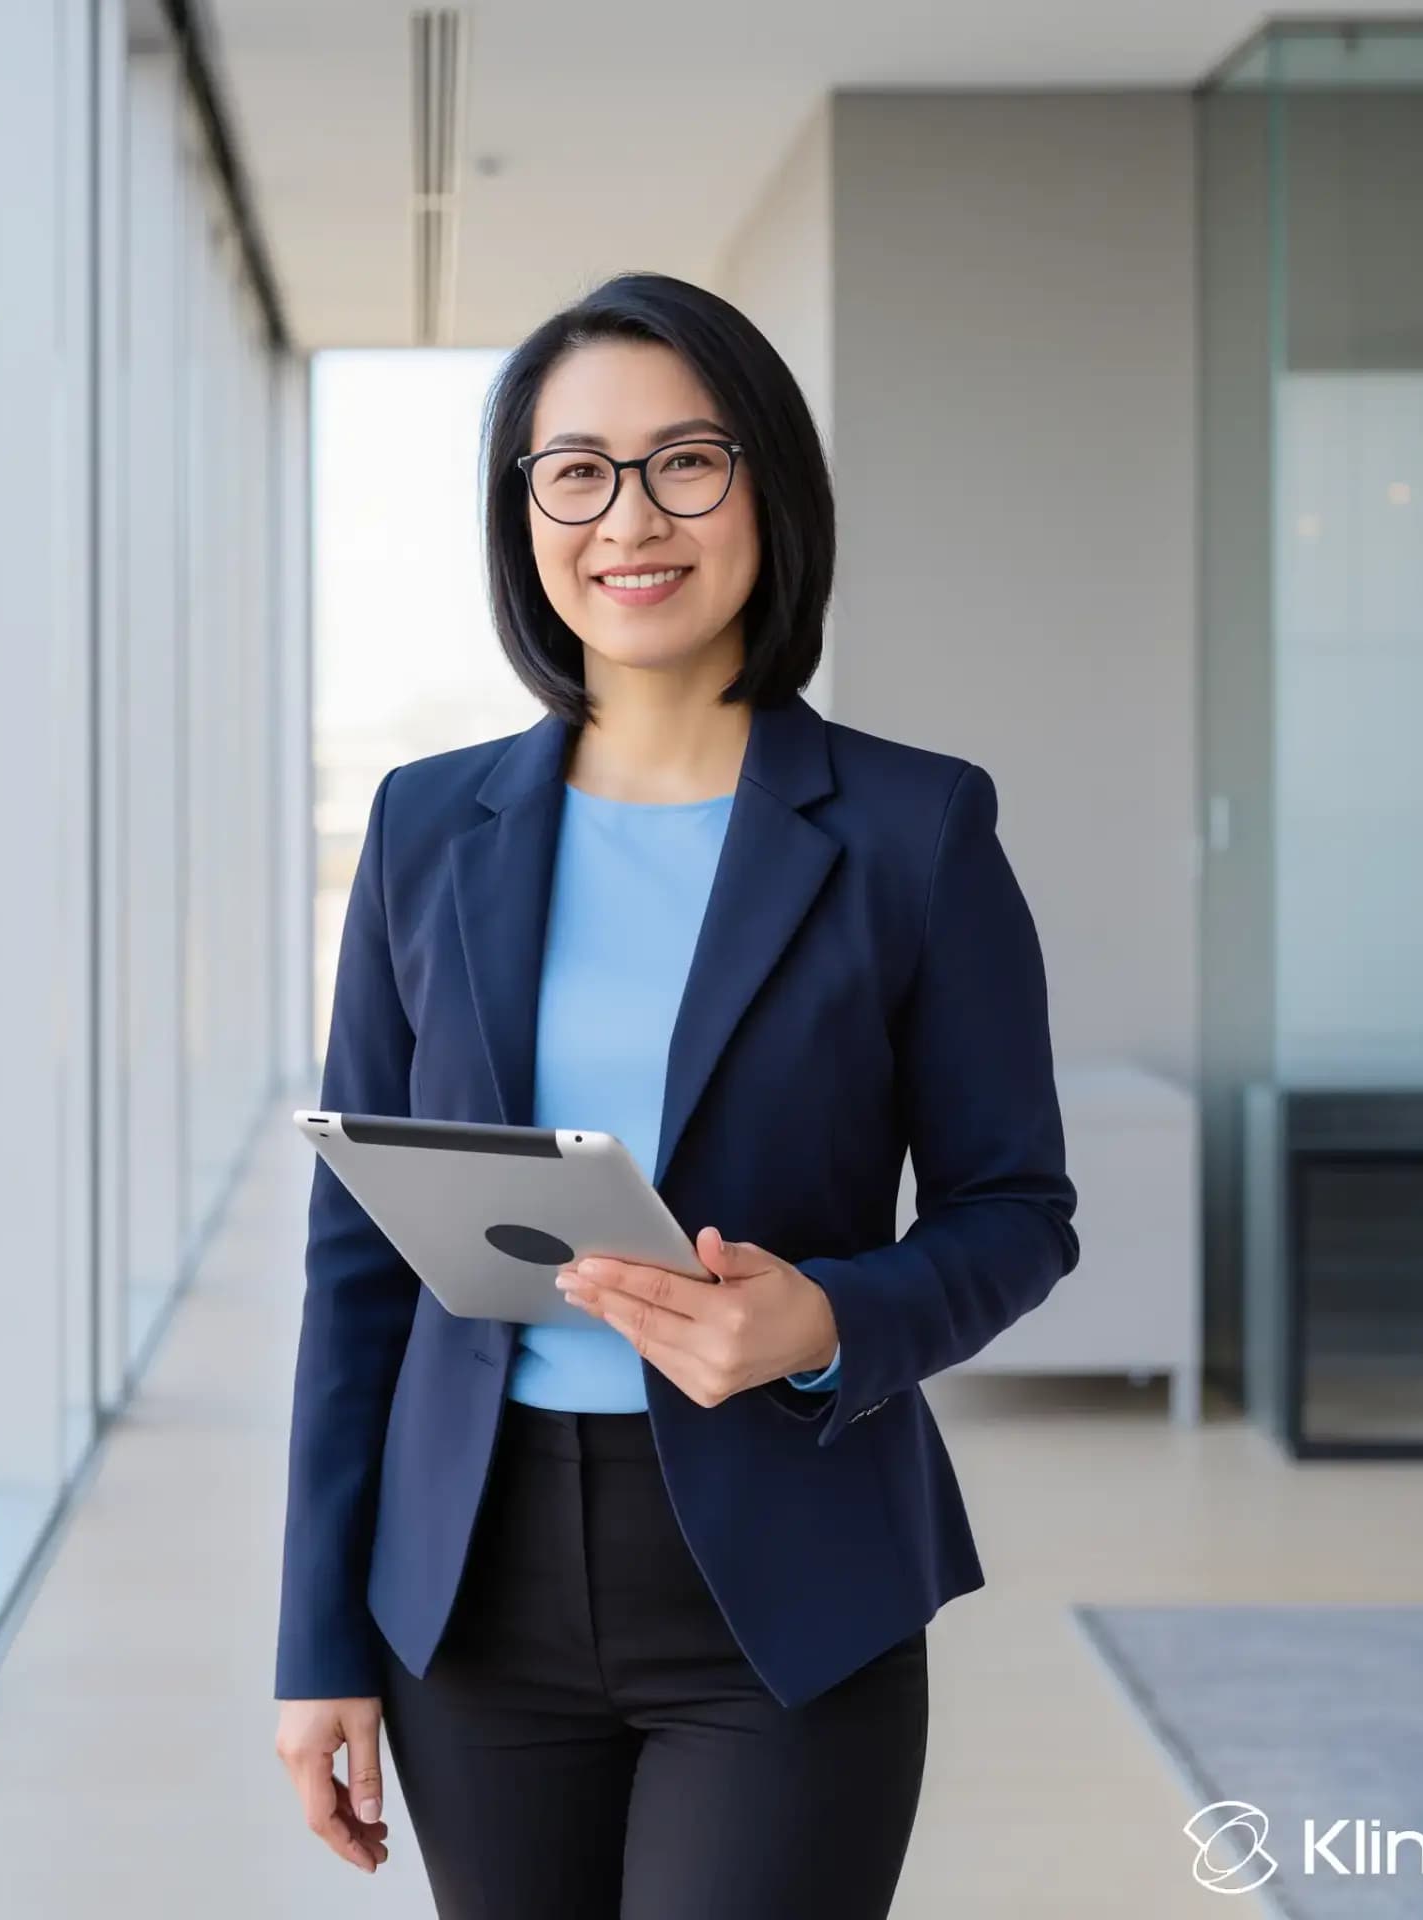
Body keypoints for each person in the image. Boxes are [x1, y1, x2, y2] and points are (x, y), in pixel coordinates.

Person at [273, 271, 1079, 1920]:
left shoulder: (913, 832)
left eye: (685, 461)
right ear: (526, 514)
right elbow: (358, 1261)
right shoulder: (427, 830)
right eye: (576, 469)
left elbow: (1018, 1214)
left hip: (786, 1583)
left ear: (768, 488)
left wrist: (827, 1322)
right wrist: (316, 1639)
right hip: (467, 1591)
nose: (628, 517)